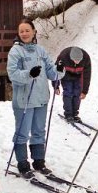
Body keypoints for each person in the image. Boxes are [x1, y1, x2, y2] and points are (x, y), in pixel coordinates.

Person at [7, 18, 64, 178]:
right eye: (21, 31)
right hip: (24, 100)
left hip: (41, 98)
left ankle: (39, 161)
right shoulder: (15, 51)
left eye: (27, 30)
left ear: (34, 32)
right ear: (18, 34)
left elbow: (52, 73)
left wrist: (59, 69)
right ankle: (23, 163)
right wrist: (28, 74)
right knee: (23, 132)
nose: (24, 33)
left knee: (39, 131)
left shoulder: (41, 50)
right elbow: (13, 75)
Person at [52, 46, 91, 123]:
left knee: (77, 94)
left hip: (78, 76)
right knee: (68, 92)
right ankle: (68, 114)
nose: (77, 62)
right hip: (66, 76)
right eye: (75, 60)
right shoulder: (63, 57)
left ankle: (75, 114)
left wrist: (84, 91)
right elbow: (56, 72)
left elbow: (87, 75)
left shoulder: (86, 59)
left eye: (79, 60)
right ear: (71, 57)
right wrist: (56, 86)